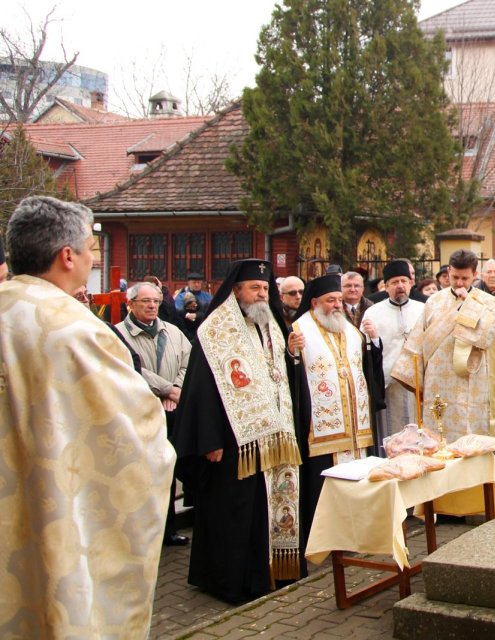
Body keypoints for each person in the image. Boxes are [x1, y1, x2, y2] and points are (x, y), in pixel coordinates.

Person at [1, 195, 174, 637]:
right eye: (90, 249)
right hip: (48, 502)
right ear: (67, 256)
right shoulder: (76, 330)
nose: (92, 259)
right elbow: (133, 432)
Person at [171, 259, 307, 603]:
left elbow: (278, 378)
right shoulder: (215, 330)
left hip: (274, 438)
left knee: (268, 509)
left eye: (265, 288)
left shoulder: (271, 325)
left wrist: (292, 357)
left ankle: (273, 571)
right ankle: (229, 580)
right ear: (236, 291)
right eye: (254, 288)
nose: (261, 294)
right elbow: (202, 390)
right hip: (233, 441)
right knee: (234, 512)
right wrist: (210, 439)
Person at [290, 272, 378, 532]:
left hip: (356, 430)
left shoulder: (351, 330)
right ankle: (326, 536)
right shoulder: (299, 330)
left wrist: (374, 341)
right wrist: (291, 353)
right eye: (331, 300)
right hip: (322, 433)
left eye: (339, 300)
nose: (337, 305)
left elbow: (369, 369)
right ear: (314, 302)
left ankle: (357, 532)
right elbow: (290, 376)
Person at [116, 280, 194, 547]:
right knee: (139, 474)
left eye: (156, 301)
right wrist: (166, 390)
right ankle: (139, 535)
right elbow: (130, 368)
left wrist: (177, 389)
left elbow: (188, 362)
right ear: (130, 304)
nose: (152, 306)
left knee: (168, 470)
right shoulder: (118, 335)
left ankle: (168, 530)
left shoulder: (172, 331)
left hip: (172, 411)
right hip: (138, 413)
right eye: (145, 301)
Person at [400, 249, 495, 439]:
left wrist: (470, 305)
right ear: (448, 271)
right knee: (438, 431)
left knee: (470, 431)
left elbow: (494, 331)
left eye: (465, 278)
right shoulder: (433, 301)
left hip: (472, 379)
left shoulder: (489, 302)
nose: (459, 283)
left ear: (475, 274)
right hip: (438, 380)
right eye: (455, 277)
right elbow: (418, 340)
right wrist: (416, 378)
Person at [364, 260, 425, 436]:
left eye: (404, 281)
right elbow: (366, 350)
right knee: (392, 433)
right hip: (389, 383)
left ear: (411, 283)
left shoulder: (424, 309)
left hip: (418, 382)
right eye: (394, 282)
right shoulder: (373, 313)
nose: (400, 286)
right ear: (386, 286)